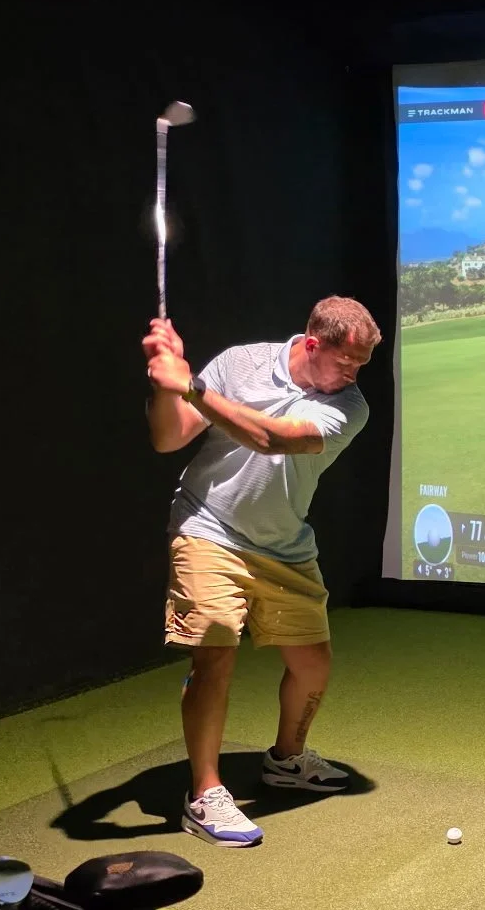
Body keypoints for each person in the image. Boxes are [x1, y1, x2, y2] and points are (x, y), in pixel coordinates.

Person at [142, 296, 380, 846]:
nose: (353, 374)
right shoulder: (240, 362)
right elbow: (168, 437)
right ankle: (204, 794)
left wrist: (193, 386)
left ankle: (286, 760)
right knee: (216, 651)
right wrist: (165, 385)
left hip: (284, 544)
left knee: (313, 667)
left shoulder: (351, 405)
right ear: (311, 343)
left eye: (362, 365)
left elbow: (273, 440)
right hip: (209, 525)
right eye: (346, 361)